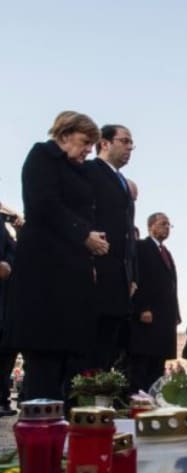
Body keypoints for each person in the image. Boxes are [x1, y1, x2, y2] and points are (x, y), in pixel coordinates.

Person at [3, 111, 107, 402]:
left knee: (68, 359)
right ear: (65, 134)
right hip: (45, 274)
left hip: (72, 276)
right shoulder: (42, 156)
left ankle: (61, 431)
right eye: (86, 141)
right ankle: (39, 433)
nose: (89, 150)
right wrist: (84, 235)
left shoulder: (79, 171)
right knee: (44, 359)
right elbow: (44, 204)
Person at [84, 124, 136, 371]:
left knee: (109, 344)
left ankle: (100, 398)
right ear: (104, 143)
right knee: (91, 343)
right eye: (124, 141)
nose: (130, 147)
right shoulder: (90, 171)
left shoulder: (123, 182)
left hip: (118, 276)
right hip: (97, 268)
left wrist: (131, 275)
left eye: (131, 143)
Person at [127, 213, 180, 393]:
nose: (167, 227)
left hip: (164, 318)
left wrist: (176, 314)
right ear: (151, 226)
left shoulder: (167, 253)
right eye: (163, 223)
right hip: (147, 316)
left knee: (158, 364)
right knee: (142, 363)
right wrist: (142, 307)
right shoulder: (142, 247)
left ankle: (153, 400)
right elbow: (137, 277)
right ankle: (137, 400)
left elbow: (171, 285)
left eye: (168, 224)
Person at [0, 210, 20, 415]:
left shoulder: (4, 225)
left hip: (7, 300)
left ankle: (2, 398)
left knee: (6, 351)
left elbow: (13, 251)